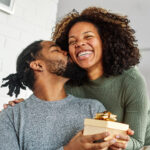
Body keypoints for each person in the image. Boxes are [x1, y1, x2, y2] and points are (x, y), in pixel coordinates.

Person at [52, 7, 150, 150]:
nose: (79, 43)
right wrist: (23, 106)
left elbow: (136, 141)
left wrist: (118, 143)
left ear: (105, 41)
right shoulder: (67, 83)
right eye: (73, 41)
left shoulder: (131, 80)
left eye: (88, 37)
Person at [0, 40, 125, 150]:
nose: (66, 52)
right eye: (55, 50)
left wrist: (114, 145)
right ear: (38, 65)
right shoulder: (10, 117)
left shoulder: (93, 109)